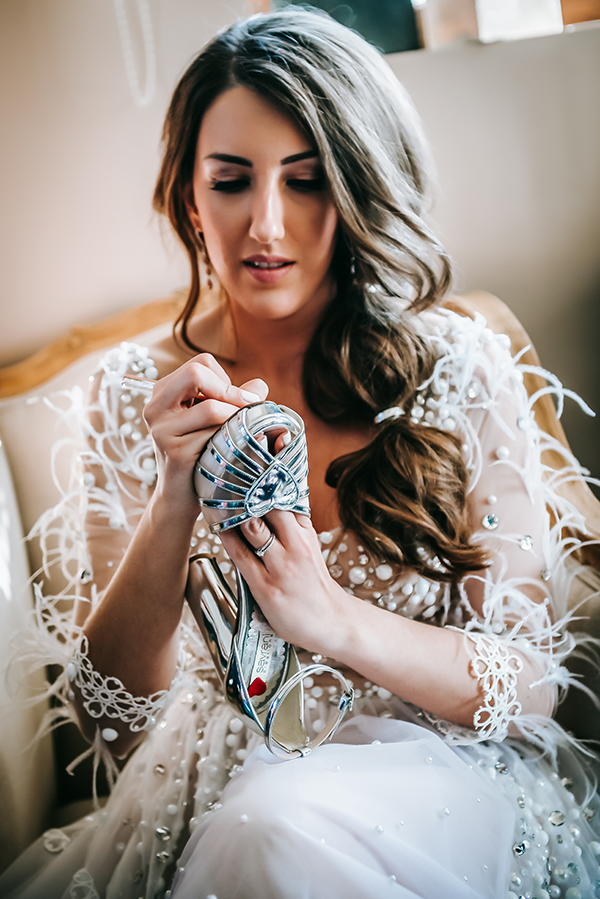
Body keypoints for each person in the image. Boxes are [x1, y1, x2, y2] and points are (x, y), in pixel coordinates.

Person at [2, 7, 600, 899]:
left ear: (360, 188)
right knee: (258, 827)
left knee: (274, 829)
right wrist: (174, 499)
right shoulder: (137, 390)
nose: (267, 225)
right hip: (212, 791)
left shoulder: (457, 364)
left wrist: (331, 618)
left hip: (447, 788)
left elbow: (528, 686)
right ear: (188, 195)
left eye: (308, 180)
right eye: (232, 180)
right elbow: (115, 729)